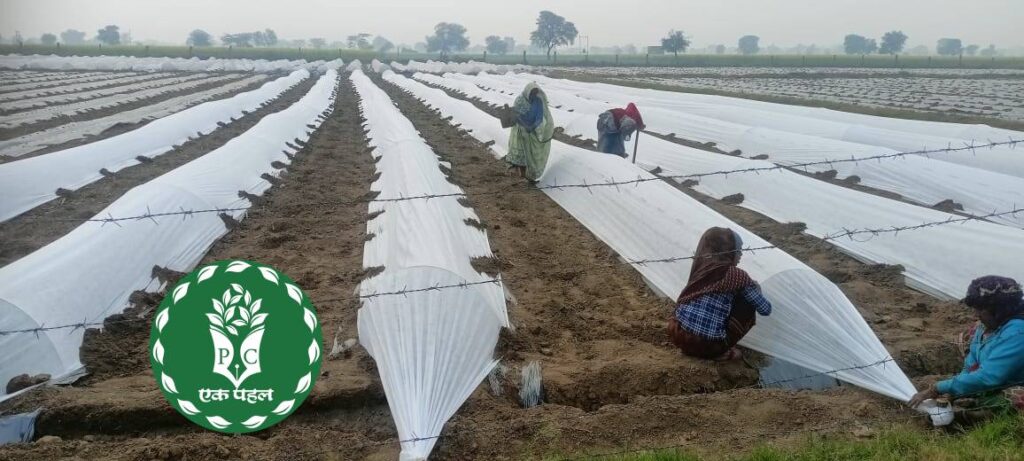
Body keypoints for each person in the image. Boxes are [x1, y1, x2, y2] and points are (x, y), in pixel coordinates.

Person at [910, 276, 1024, 415]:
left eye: (980, 309)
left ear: (998, 309)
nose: (976, 314)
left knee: (1013, 399)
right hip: (996, 378)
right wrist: (953, 391)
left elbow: (988, 377)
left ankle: (971, 417)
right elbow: (971, 364)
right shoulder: (986, 326)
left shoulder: (1017, 332)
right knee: (967, 335)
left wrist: (937, 388)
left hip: (1012, 381)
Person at [667, 227, 772, 361]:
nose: (740, 255)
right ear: (727, 251)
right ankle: (718, 353)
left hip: (677, 335)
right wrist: (756, 289)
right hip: (709, 346)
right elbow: (765, 309)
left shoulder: (701, 267)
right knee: (748, 298)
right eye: (738, 250)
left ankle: (693, 347)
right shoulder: (737, 275)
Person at [505, 83, 554, 183]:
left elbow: (539, 118)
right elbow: (516, 116)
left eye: (535, 93)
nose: (533, 96)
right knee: (521, 154)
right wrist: (524, 125)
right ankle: (519, 174)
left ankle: (529, 176)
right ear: (527, 92)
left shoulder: (537, 101)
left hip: (531, 131)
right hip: (519, 130)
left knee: (530, 156)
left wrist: (532, 127)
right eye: (532, 93)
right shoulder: (519, 100)